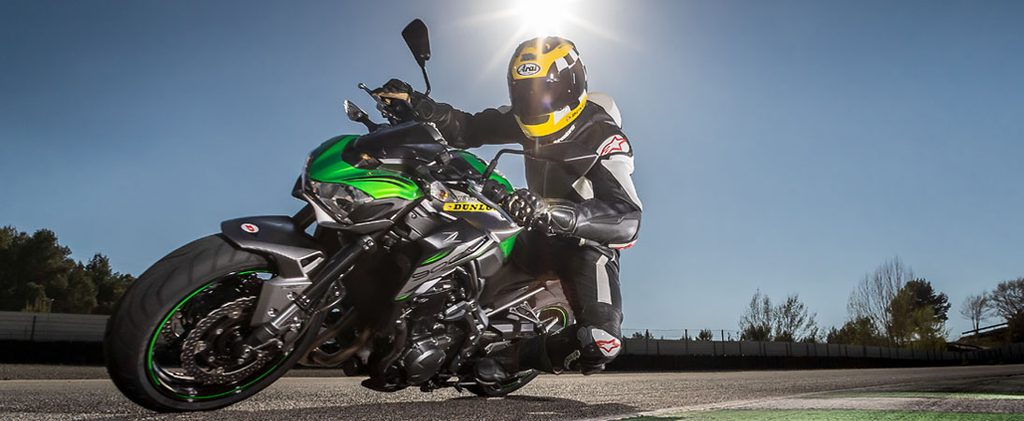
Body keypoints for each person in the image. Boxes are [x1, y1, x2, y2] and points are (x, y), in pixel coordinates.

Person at [375, 36, 641, 379]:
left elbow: (628, 217)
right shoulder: (522, 116)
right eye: (524, 93)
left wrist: (552, 212)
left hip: (585, 246)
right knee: (458, 229)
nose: (534, 103)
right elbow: (468, 127)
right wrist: (417, 105)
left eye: (545, 92)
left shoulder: (603, 135)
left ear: (572, 85)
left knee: (601, 341)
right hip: (532, 228)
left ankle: (509, 361)